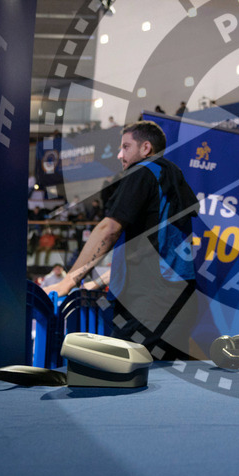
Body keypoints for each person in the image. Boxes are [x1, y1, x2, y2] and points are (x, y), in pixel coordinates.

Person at [45, 120, 200, 359]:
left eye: (126, 147)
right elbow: (144, 252)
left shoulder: (142, 172)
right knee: (171, 383)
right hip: (178, 302)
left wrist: (68, 282)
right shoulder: (172, 175)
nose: (119, 155)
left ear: (146, 148)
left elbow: (108, 229)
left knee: (133, 382)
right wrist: (95, 284)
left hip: (146, 306)